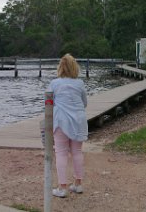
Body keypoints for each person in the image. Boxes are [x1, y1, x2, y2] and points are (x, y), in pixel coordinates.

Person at [48, 53, 88, 198]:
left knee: (61, 152)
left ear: (60, 67)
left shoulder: (54, 83)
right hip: (79, 120)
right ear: (74, 67)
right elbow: (84, 103)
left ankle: (62, 187)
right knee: (77, 151)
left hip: (61, 121)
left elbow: (48, 103)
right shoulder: (80, 83)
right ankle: (78, 184)